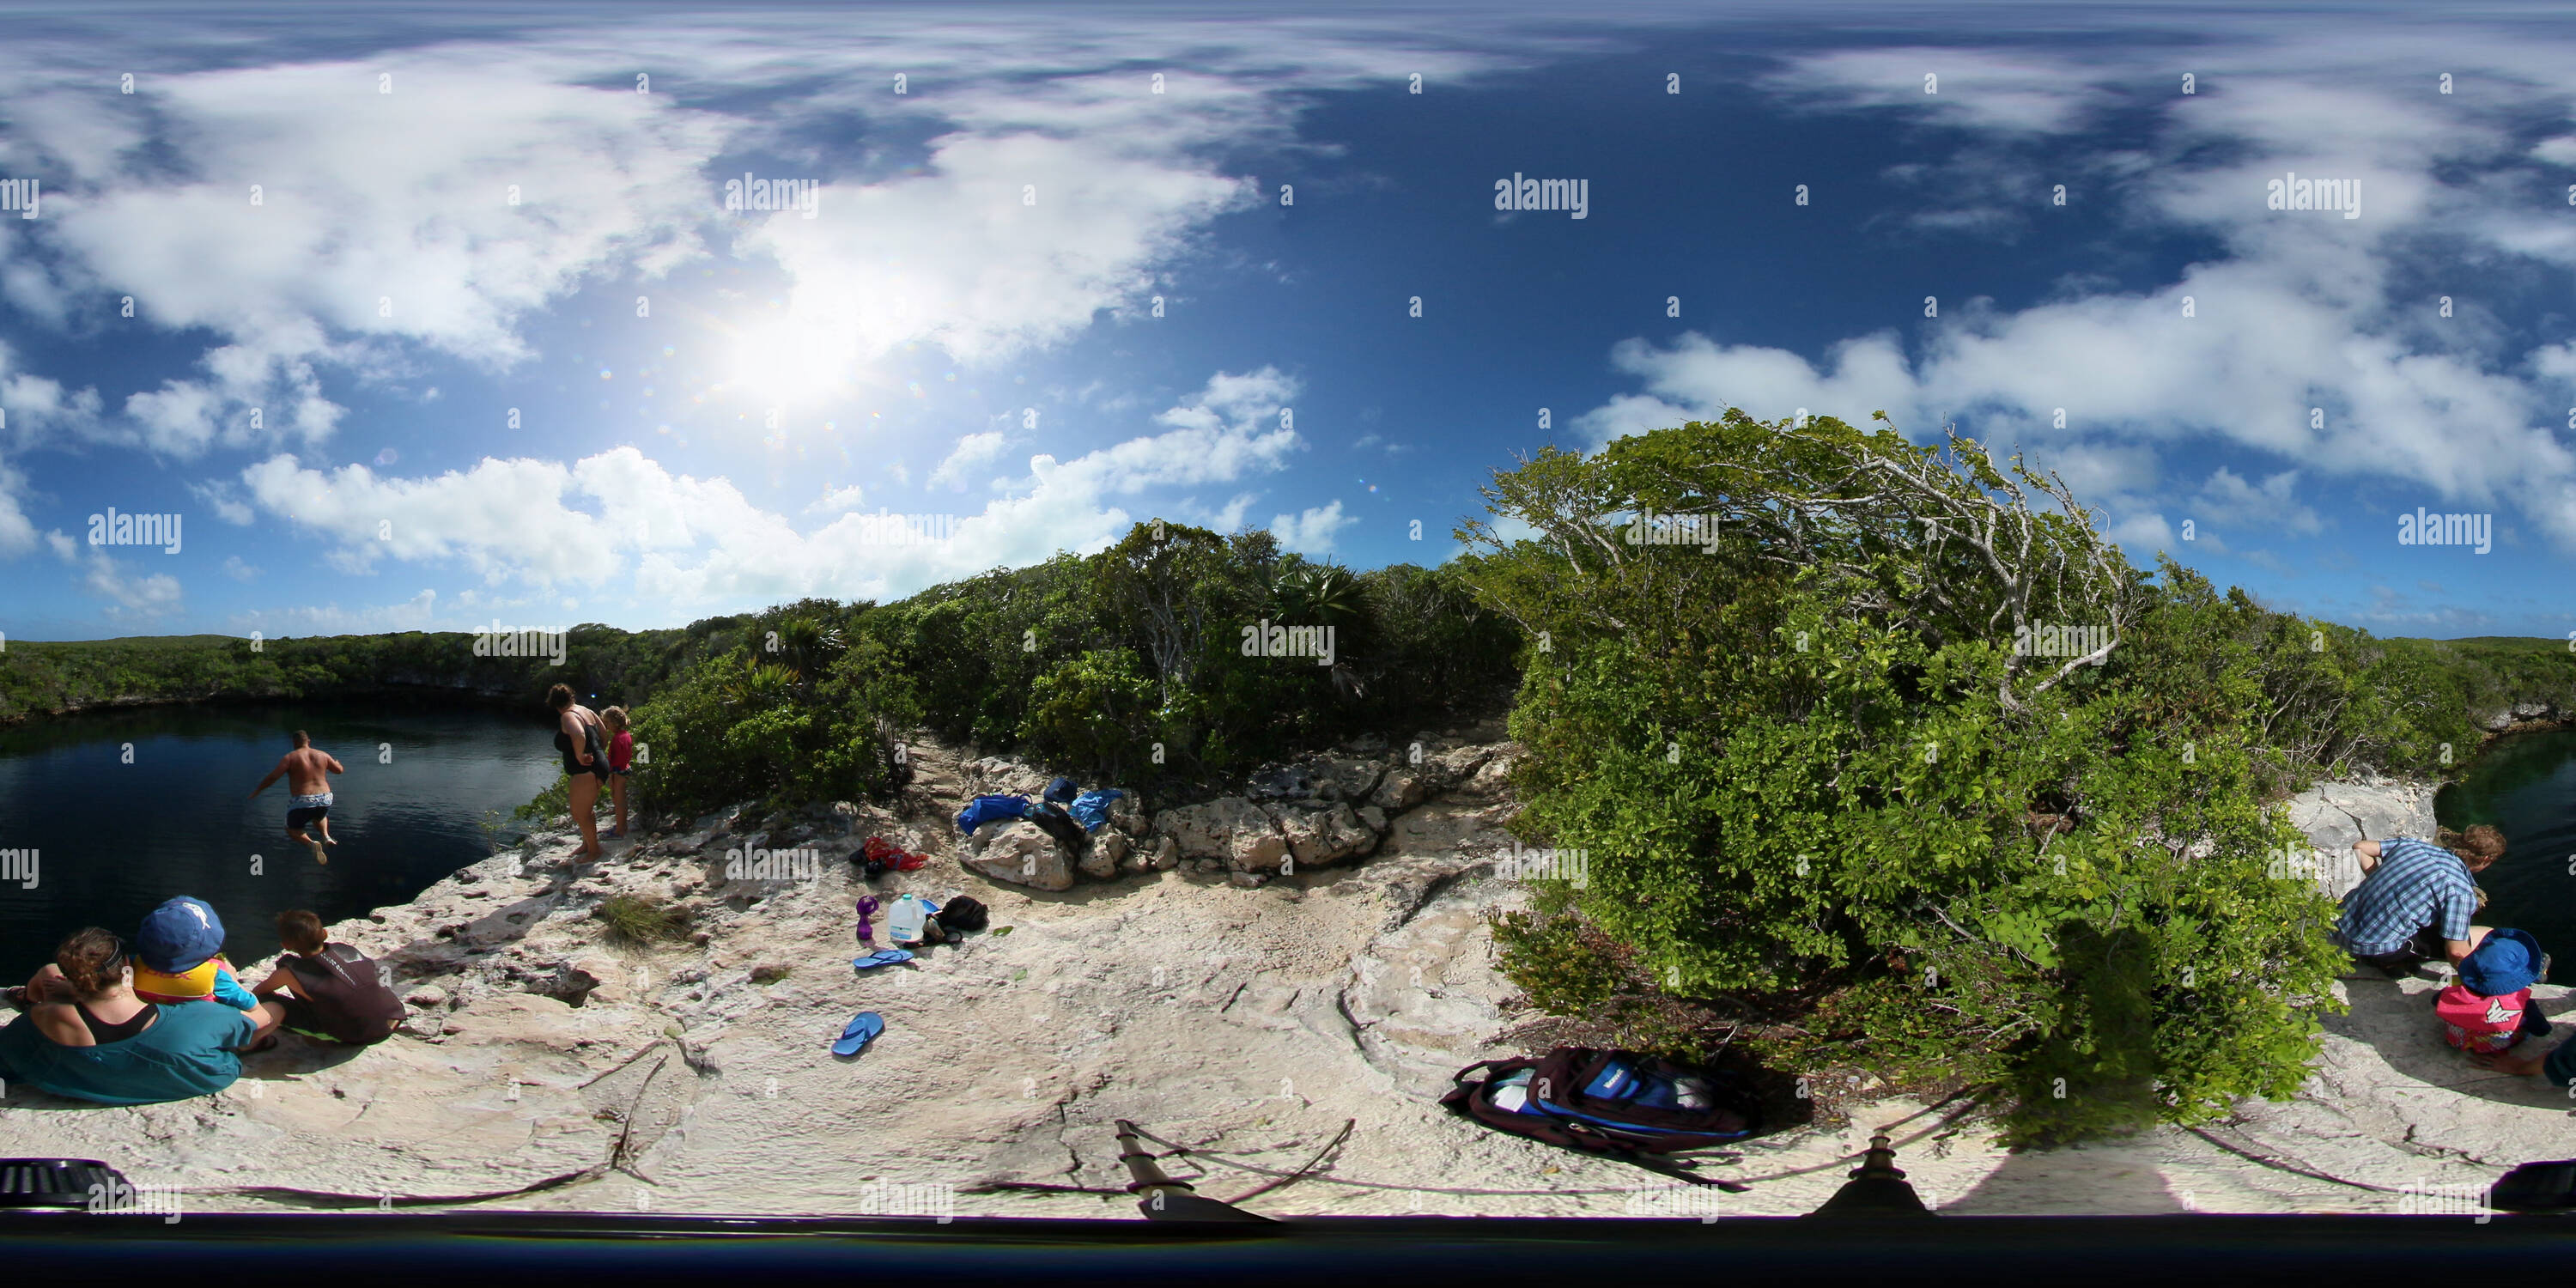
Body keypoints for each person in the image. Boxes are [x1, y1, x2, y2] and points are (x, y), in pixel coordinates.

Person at [0, 927, 272, 1105]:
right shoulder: (201, 1017)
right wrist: (231, 982)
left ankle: (25, 993)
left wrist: (67, 995)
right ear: (127, 966)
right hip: (197, 1073)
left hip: (72, 1075)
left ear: (74, 978)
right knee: (271, 1009)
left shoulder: (47, 1018)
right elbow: (261, 1016)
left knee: (47, 973)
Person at [2333, 826, 2505, 977]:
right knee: (2484, 935)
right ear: (2485, 860)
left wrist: (2380, 880)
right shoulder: (2460, 891)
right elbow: (2456, 951)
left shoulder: (2413, 846)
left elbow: (2360, 847)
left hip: (2338, 925)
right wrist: (2475, 979)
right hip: (2369, 946)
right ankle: (2388, 962)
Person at [246, 909, 405, 1047]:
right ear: (325, 933)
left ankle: (250, 1042)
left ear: (286, 945)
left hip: (355, 1035)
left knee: (266, 1000)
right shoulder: (348, 950)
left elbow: (258, 993)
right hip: (391, 1020)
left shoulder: (289, 972)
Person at [250, 729, 345, 864]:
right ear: (309, 741)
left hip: (303, 801)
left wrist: (258, 790)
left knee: (291, 829)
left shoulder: (290, 757)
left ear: (294, 742)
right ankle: (326, 836)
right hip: (325, 798)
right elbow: (339, 770)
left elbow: (273, 777)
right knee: (320, 816)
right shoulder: (323, 755)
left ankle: (312, 844)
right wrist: (338, 763)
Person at [550, 683, 612, 861]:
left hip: (586, 770)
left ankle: (594, 851)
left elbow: (579, 734)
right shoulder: (586, 711)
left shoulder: (568, 716)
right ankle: (587, 844)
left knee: (579, 812)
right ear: (572, 697)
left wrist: (579, 755)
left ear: (555, 704)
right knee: (586, 810)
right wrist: (600, 753)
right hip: (598, 765)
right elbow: (603, 734)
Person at [601, 705, 635, 839]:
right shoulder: (625, 735)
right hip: (625, 769)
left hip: (618, 772)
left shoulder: (617, 739)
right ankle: (622, 826)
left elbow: (615, 759)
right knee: (621, 800)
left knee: (618, 801)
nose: (607, 726)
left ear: (614, 722)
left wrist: (611, 773)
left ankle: (620, 830)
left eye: (607, 723)